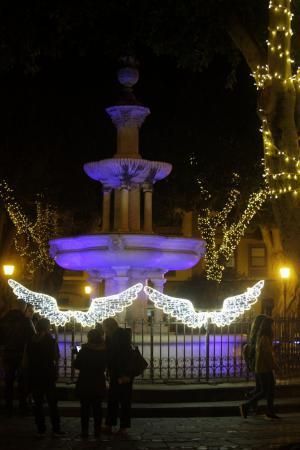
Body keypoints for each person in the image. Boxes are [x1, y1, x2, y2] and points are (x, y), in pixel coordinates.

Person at [26, 318, 63, 436]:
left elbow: (26, 359)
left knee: (38, 403)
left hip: (35, 375)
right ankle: (56, 428)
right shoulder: (50, 341)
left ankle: (41, 429)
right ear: (47, 327)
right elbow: (56, 357)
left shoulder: (31, 341)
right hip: (48, 375)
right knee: (52, 403)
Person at [240, 316, 279, 419]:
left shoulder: (257, 336)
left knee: (267, 390)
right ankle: (247, 405)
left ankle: (268, 411)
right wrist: (275, 366)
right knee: (265, 390)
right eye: (272, 325)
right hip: (264, 368)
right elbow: (266, 354)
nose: (273, 327)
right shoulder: (263, 338)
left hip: (261, 367)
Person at [1, 301, 36, 414]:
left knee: (8, 382)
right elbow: (32, 338)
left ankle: (8, 407)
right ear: (23, 307)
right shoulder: (26, 321)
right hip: (21, 355)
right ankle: (22, 406)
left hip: (7, 354)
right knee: (22, 382)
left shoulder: (4, 320)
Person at [102, 317, 133, 435]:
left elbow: (121, 357)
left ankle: (123, 427)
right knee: (113, 399)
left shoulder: (121, 336)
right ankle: (111, 425)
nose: (104, 330)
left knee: (123, 400)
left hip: (123, 373)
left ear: (110, 327)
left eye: (105, 327)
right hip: (116, 373)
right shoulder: (111, 336)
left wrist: (123, 375)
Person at [74, 328, 107, 438]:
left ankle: (85, 430)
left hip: (85, 380)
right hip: (98, 381)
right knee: (97, 408)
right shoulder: (104, 350)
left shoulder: (84, 349)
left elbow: (77, 364)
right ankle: (97, 431)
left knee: (85, 408)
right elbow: (105, 365)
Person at [243, 314, 267, 410]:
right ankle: (249, 402)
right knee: (263, 388)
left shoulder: (253, 335)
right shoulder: (260, 335)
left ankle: (252, 404)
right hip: (260, 364)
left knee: (258, 387)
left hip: (254, 364)